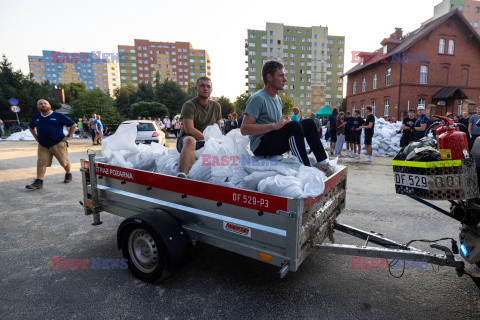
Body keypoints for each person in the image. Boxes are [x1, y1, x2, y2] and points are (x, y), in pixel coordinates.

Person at [240, 60, 332, 176]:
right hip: (260, 145)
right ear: (269, 77)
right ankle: (305, 169)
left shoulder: (278, 99)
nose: (285, 79)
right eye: (281, 75)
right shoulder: (257, 98)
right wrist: (274, 126)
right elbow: (244, 129)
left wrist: (283, 124)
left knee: (308, 123)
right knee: (294, 126)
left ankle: (323, 164)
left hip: (273, 140)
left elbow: (277, 126)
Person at [26, 99, 77, 189]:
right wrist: (36, 137)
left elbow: (73, 125)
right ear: (38, 107)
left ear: (49, 105)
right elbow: (31, 127)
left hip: (58, 143)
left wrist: (68, 136)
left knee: (64, 161)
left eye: (45, 103)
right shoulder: (36, 116)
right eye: (40, 104)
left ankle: (68, 174)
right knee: (41, 162)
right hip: (43, 144)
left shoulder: (58, 115)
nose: (43, 105)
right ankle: (39, 182)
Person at [177, 77, 222, 177]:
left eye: (208, 86)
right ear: (196, 88)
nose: (205, 88)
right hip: (188, 140)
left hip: (208, 141)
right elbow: (189, 129)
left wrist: (220, 141)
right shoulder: (189, 105)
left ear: (211, 90)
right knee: (190, 140)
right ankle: (184, 176)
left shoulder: (216, 106)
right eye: (202, 86)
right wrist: (209, 140)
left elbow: (217, 129)